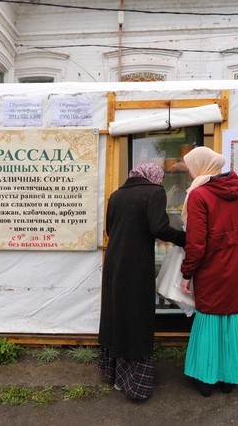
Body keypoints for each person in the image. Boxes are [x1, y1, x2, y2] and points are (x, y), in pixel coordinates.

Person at [98, 162, 186, 400]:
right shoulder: (154, 192)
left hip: (114, 262)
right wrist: (185, 238)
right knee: (136, 317)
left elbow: (109, 228)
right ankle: (135, 383)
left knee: (116, 314)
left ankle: (115, 374)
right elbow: (159, 227)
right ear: (154, 177)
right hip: (136, 266)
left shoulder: (116, 195)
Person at [179, 146, 238, 397]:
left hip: (211, 268)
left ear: (201, 165)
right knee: (234, 318)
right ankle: (231, 377)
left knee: (210, 319)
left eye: (191, 166)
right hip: (237, 266)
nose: (190, 171)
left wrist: (186, 273)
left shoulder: (199, 195)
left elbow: (196, 242)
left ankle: (206, 378)